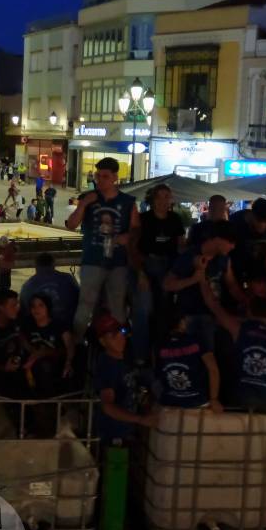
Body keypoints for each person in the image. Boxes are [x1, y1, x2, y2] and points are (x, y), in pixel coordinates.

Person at [65, 157, 140, 337]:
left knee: (117, 305)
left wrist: (126, 237)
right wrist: (83, 204)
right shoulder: (88, 199)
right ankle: (76, 346)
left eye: (105, 176)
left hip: (118, 262)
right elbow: (71, 225)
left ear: (115, 177)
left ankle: (118, 343)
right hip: (92, 259)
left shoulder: (128, 202)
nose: (100, 180)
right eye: (98, 176)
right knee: (86, 304)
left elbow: (137, 231)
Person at [199, 272, 266, 410]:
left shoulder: (238, 329)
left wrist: (201, 278)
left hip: (242, 398)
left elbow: (214, 306)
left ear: (249, 311)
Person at [164, 221, 241, 352]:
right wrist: (193, 280)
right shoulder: (189, 257)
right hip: (193, 315)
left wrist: (247, 300)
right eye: (230, 242)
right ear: (217, 239)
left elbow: (232, 285)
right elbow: (167, 284)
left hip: (215, 314)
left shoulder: (224, 259)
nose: (232, 247)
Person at [133, 183, 185, 361]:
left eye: (166, 197)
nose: (163, 201)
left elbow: (180, 245)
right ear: (153, 200)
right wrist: (140, 272)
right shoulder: (143, 219)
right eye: (160, 197)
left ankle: (162, 353)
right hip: (147, 264)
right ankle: (141, 354)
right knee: (143, 309)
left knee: (164, 310)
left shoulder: (175, 219)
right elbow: (133, 247)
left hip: (168, 266)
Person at [92, 314, 156, 445]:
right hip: (114, 434)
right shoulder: (106, 365)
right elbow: (107, 406)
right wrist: (139, 419)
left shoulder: (126, 360)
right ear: (102, 341)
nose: (119, 337)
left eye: (121, 332)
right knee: (117, 464)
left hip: (128, 430)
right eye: (112, 335)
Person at [154, 312, 221, 411]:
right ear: (181, 322)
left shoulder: (158, 346)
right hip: (198, 403)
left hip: (170, 404)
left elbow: (158, 375)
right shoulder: (197, 341)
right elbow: (213, 369)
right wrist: (214, 399)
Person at [23, 293, 75, 398]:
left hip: (55, 365)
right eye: (33, 306)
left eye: (41, 305)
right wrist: (31, 351)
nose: (36, 309)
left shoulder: (59, 325)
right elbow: (21, 338)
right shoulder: (27, 324)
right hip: (31, 365)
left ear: (48, 307)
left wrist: (69, 361)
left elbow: (69, 345)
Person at [19, 253, 80, 331]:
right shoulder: (68, 279)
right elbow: (81, 300)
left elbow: (24, 310)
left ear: (36, 266)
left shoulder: (27, 285)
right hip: (68, 327)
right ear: (53, 264)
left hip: (39, 332)